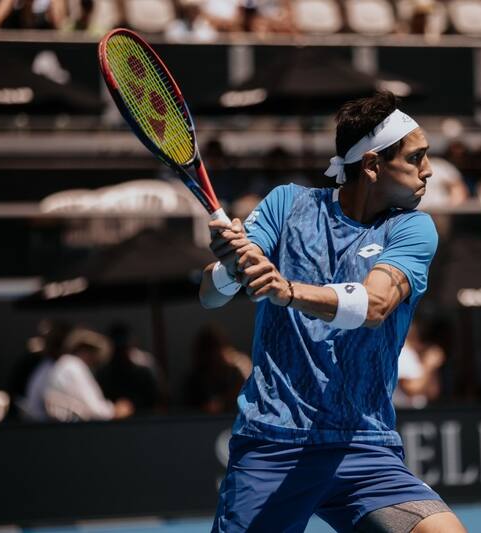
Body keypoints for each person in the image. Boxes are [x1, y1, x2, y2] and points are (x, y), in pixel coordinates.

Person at [199, 91, 466, 532]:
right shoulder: (288, 205)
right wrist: (229, 266)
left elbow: (375, 303)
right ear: (373, 165)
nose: (429, 170)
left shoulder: (413, 227)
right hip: (274, 442)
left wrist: (289, 291)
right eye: (416, 157)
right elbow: (211, 294)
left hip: (363, 444)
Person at [44, 327, 133, 421]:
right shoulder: (73, 366)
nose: (95, 356)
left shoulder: (67, 364)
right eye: (91, 350)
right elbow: (93, 410)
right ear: (81, 349)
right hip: (66, 429)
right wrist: (115, 411)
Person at [183, 322, 251, 414]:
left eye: (221, 347)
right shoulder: (194, 382)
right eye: (211, 349)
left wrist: (242, 366)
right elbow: (210, 410)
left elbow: (252, 395)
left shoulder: (232, 373)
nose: (217, 355)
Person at [393, 319, 445, 409]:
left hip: (418, 412)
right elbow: (411, 389)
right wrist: (429, 365)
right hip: (403, 413)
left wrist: (433, 367)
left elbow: (433, 392)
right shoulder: (402, 353)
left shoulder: (415, 355)